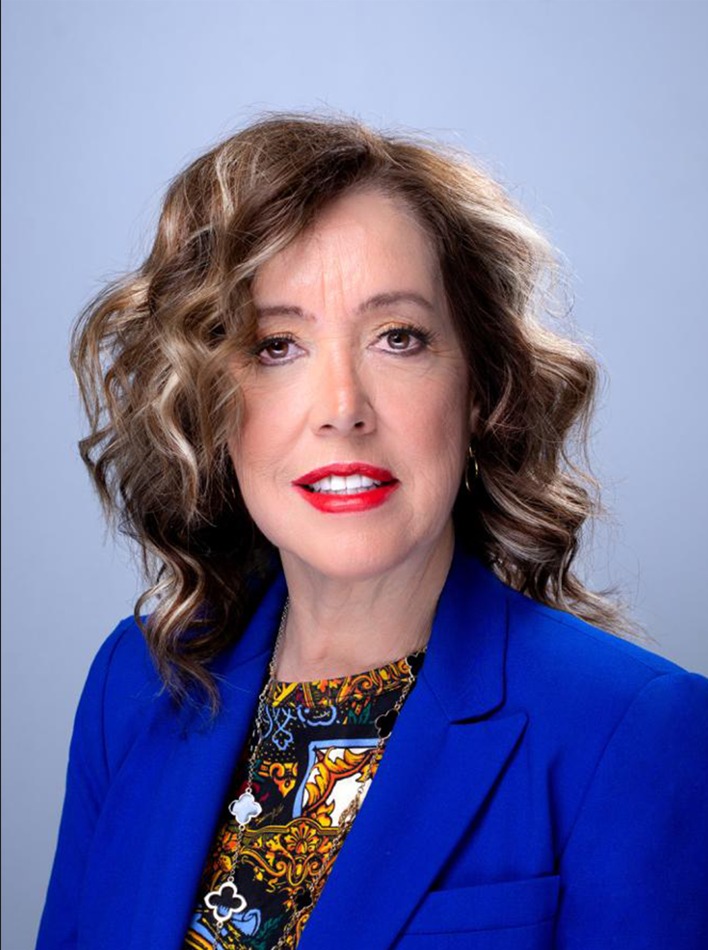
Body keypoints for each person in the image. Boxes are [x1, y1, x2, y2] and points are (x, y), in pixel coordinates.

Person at [37, 114, 708, 950]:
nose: (343, 409)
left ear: (480, 388)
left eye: (399, 338)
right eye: (276, 345)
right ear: (206, 399)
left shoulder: (635, 730)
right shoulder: (134, 684)